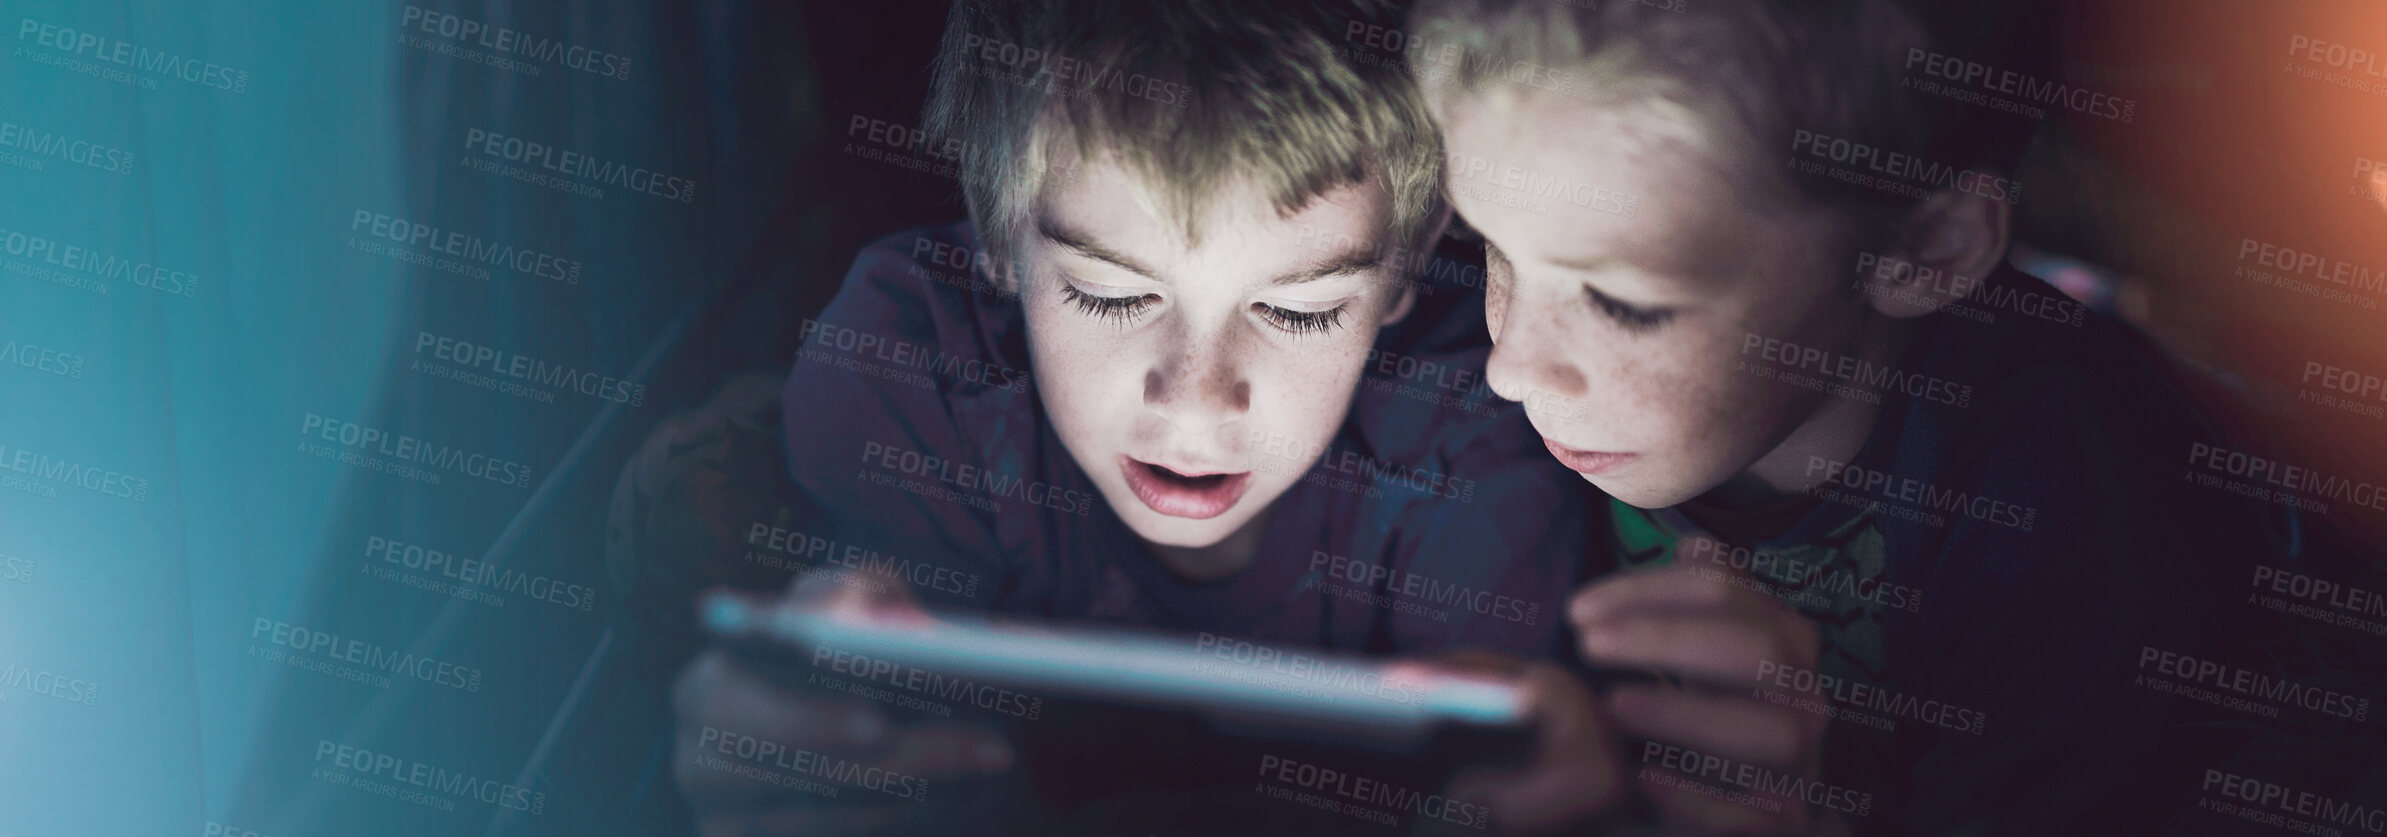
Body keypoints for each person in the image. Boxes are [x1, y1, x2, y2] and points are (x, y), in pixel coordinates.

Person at [665, 0, 1605, 832]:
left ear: (1405, 268)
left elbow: (1495, 763)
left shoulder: (1475, 421)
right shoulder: (907, 373)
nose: (1196, 399)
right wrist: (833, 730)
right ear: (995, 233)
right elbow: (894, 740)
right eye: (1111, 296)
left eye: (1300, 310)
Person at [1403, 0, 2267, 832]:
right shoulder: (1440, 376)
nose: (1510, 364)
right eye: (1488, 244)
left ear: (1922, 250)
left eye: (1624, 304)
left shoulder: (2088, 538)